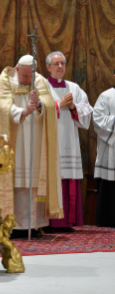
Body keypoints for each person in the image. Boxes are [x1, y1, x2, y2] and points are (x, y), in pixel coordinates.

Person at [0, 54, 63, 238]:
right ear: (17, 69)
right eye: (25, 76)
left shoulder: (41, 81)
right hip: (13, 139)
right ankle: (9, 225)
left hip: (35, 140)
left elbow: (51, 107)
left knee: (33, 181)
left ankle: (33, 225)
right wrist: (23, 111)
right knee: (14, 179)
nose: (29, 80)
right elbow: (0, 108)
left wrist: (39, 106)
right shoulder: (4, 80)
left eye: (31, 76)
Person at [45, 51, 93, 232]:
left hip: (69, 141)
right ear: (48, 67)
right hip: (49, 141)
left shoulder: (74, 88)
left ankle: (66, 222)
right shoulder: (42, 86)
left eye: (62, 63)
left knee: (67, 179)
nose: (60, 66)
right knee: (51, 178)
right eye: (56, 63)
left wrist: (73, 107)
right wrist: (58, 106)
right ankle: (48, 222)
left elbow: (87, 110)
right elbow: (37, 111)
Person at [93, 75, 115, 227]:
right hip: (111, 152)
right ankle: (108, 224)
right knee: (109, 191)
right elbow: (97, 120)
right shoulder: (106, 96)